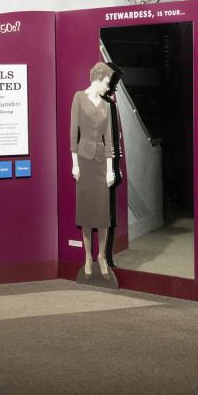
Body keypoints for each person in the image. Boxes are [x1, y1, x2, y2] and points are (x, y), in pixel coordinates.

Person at [70, 62, 118, 279]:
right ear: (98, 79)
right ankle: (88, 257)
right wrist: (75, 164)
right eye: (107, 83)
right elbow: (73, 134)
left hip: (100, 164)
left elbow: (109, 140)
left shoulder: (107, 106)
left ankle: (102, 256)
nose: (109, 88)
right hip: (84, 161)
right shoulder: (79, 97)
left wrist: (110, 171)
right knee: (87, 211)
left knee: (102, 213)